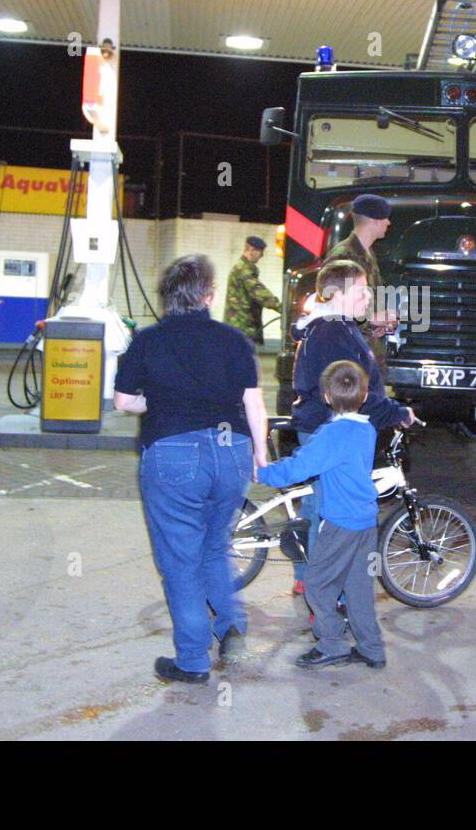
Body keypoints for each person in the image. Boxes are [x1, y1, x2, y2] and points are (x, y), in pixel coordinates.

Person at [114, 254, 269, 685]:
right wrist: (261, 456)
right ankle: (231, 626)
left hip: (174, 454)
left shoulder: (146, 341)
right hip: (232, 450)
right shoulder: (235, 340)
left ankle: (193, 661)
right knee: (214, 547)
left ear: (168, 299)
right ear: (208, 296)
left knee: (181, 560)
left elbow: (124, 403)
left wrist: (159, 403)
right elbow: (254, 402)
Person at [288, 260, 417, 596]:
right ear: (336, 293)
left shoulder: (335, 328)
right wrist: (395, 411)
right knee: (332, 518)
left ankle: (307, 577)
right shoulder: (333, 332)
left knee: (317, 509)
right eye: (361, 290)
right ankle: (326, 596)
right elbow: (353, 391)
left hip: (320, 427)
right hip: (329, 429)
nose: (367, 297)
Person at [258, 360, 386, 670]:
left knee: (316, 583)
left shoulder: (332, 434)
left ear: (326, 396)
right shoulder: (366, 428)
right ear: (365, 395)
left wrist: (264, 473)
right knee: (358, 589)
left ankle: (332, 644)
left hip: (341, 523)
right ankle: (371, 649)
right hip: (366, 521)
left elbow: (300, 467)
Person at [326, 193, 398, 349]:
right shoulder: (343, 255)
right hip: (347, 347)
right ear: (374, 221)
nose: (388, 222)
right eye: (385, 218)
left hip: (365, 344)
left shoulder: (368, 253)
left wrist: (378, 324)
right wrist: (370, 319)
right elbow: (332, 305)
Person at [223, 235, 281, 346]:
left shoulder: (243, 268)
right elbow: (260, 293)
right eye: (260, 252)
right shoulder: (244, 270)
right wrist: (283, 308)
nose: (262, 255)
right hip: (241, 328)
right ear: (252, 250)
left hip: (240, 327)